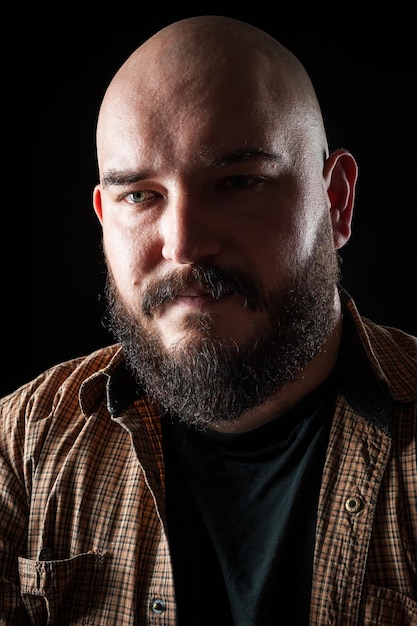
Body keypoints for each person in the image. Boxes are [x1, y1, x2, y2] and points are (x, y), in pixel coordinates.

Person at [1, 14, 416, 626]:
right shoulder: (22, 448)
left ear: (336, 202)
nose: (184, 243)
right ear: (103, 219)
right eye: (139, 194)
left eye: (239, 181)